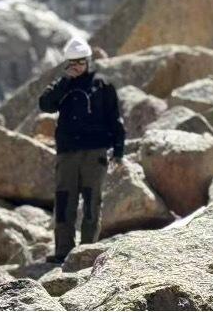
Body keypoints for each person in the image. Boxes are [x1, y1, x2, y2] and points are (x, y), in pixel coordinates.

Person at [39, 38, 125, 263]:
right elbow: (45, 104)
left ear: (88, 61)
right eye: (72, 62)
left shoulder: (103, 85)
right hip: (67, 153)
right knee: (64, 200)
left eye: (80, 61)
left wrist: (119, 150)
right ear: (66, 64)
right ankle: (63, 252)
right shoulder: (63, 86)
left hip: (94, 153)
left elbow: (115, 119)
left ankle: (88, 252)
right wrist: (65, 82)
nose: (77, 66)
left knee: (91, 201)